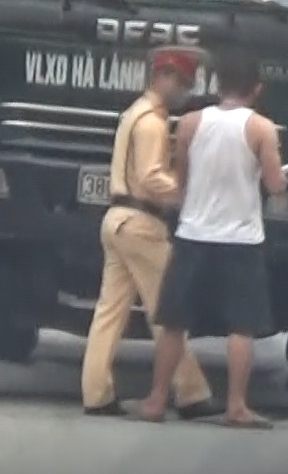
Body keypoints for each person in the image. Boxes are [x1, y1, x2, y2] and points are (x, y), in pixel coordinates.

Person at [136, 49, 287, 428]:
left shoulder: (188, 123)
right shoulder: (261, 129)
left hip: (193, 233)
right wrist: (279, 174)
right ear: (257, 88)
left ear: (217, 85)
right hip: (241, 239)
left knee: (174, 322)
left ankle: (156, 400)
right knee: (241, 326)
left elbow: (181, 177)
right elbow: (275, 184)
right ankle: (236, 406)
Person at [79, 46, 218, 418]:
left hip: (117, 219)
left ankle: (96, 392)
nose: (187, 92)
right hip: (142, 223)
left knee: (110, 311)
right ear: (166, 76)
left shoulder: (132, 114)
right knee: (169, 310)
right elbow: (151, 177)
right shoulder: (153, 123)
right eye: (184, 83)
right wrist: (186, 191)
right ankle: (191, 392)